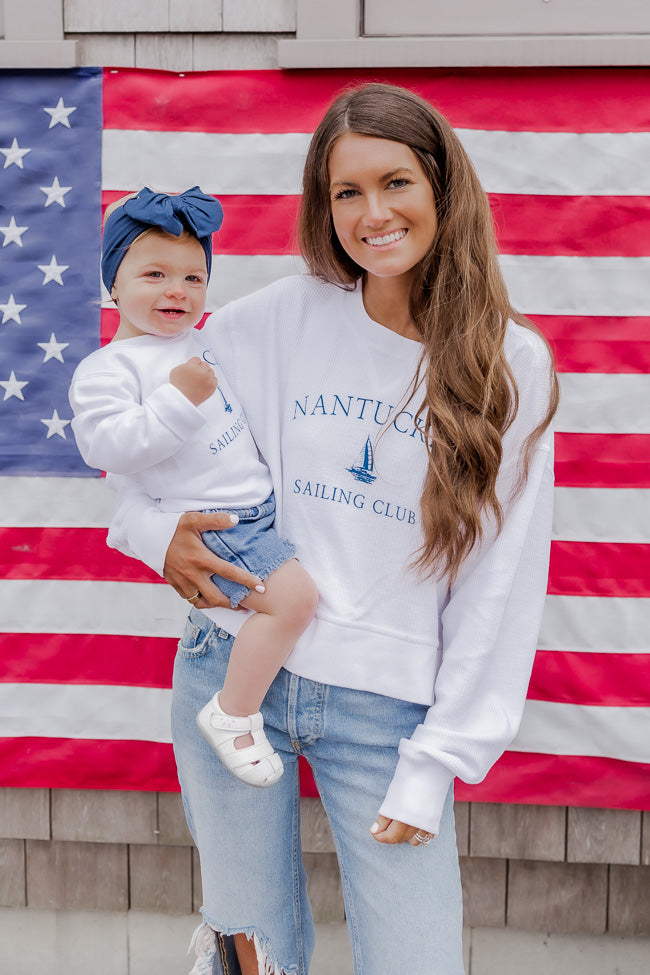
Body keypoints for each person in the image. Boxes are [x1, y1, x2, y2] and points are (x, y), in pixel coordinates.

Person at [107, 84, 558, 975]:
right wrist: (151, 534)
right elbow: (136, 412)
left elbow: (500, 579)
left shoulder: (510, 362)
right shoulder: (280, 316)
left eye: (395, 182)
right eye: (346, 191)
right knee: (253, 956)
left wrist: (440, 757)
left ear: (443, 187)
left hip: (387, 714)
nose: (372, 213)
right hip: (234, 671)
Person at [69, 186, 319, 789]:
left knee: (293, 600)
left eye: (193, 277)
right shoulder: (108, 369)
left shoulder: (204, 343)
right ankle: (233, 713)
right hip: (215, 521)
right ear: (113, 283)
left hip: (257, 505)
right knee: (293, 602)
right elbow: (109, 448)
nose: (177, 290)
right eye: (154, 274)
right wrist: (179, 399)